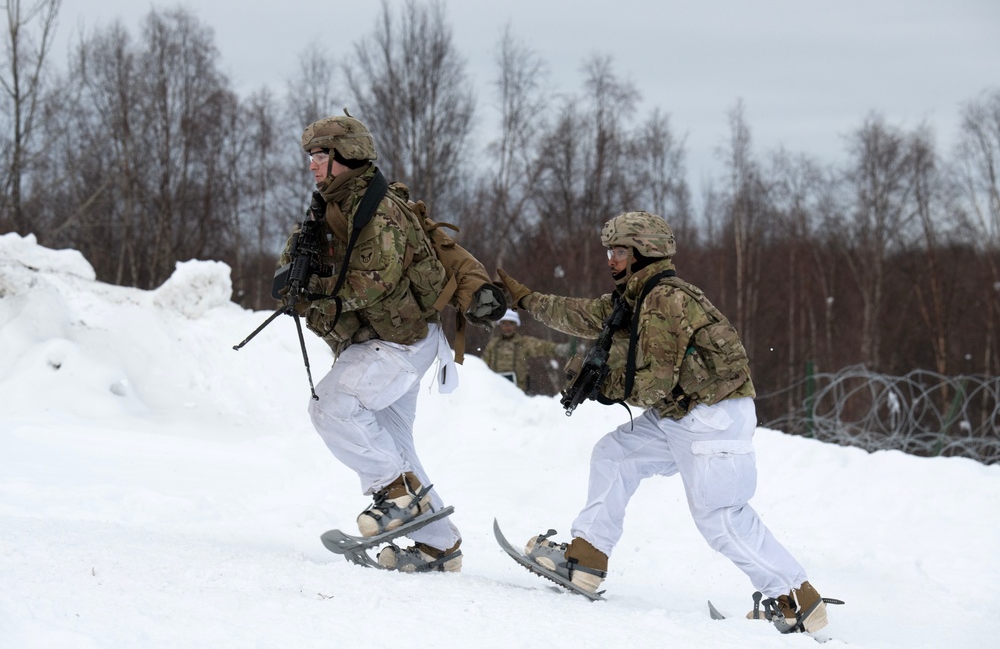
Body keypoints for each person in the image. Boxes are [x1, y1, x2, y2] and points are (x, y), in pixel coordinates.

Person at [496, 211, 829, 634]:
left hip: (712, 416)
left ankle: (797, 599)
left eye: (619, 251)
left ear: (643, 253)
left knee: (721, 518)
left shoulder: (664, 299)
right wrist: (526, 300)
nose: (611, 260)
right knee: (614, 455)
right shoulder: (635, 297)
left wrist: (603, 386)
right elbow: (583, 315)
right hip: (680, 413)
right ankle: (587, 558)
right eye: (610, 251)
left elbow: (650, 384)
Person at [282, 112, 502, 573]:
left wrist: (315, 298)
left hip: (399, 342)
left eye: (320, 156)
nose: (313, 166)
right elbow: (309, 259)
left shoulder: (377, 211)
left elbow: (373, 281)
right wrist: (291, 277)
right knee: (395, 447)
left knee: (331, 406)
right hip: (394, 341)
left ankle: (396, 496)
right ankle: (439, 546)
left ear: (346, 158)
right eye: (312, 157)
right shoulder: (331, 206)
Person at [480, 309, 573, 393]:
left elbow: (542, 347)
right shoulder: (493, 344)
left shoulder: (523, 343)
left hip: (518, 390)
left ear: (515, 325)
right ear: (500, 325)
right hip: (496, 389)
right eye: (504, 324)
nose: (507, 327)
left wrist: (560, 349)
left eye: (510, 324)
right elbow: (482, 365)